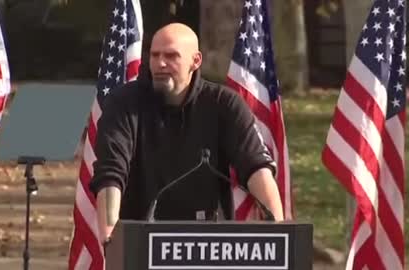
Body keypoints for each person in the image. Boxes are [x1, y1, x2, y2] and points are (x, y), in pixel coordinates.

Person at [89, 23, 284, 246]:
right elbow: (110, 173)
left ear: (196, 60)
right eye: (154, 55)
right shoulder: (123, 103)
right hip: (139, 240)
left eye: (171, 56)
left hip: (207, 243)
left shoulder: (224, 104)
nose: (160, 63)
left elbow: (257, 167)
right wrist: (110, 239)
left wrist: (278, 235)